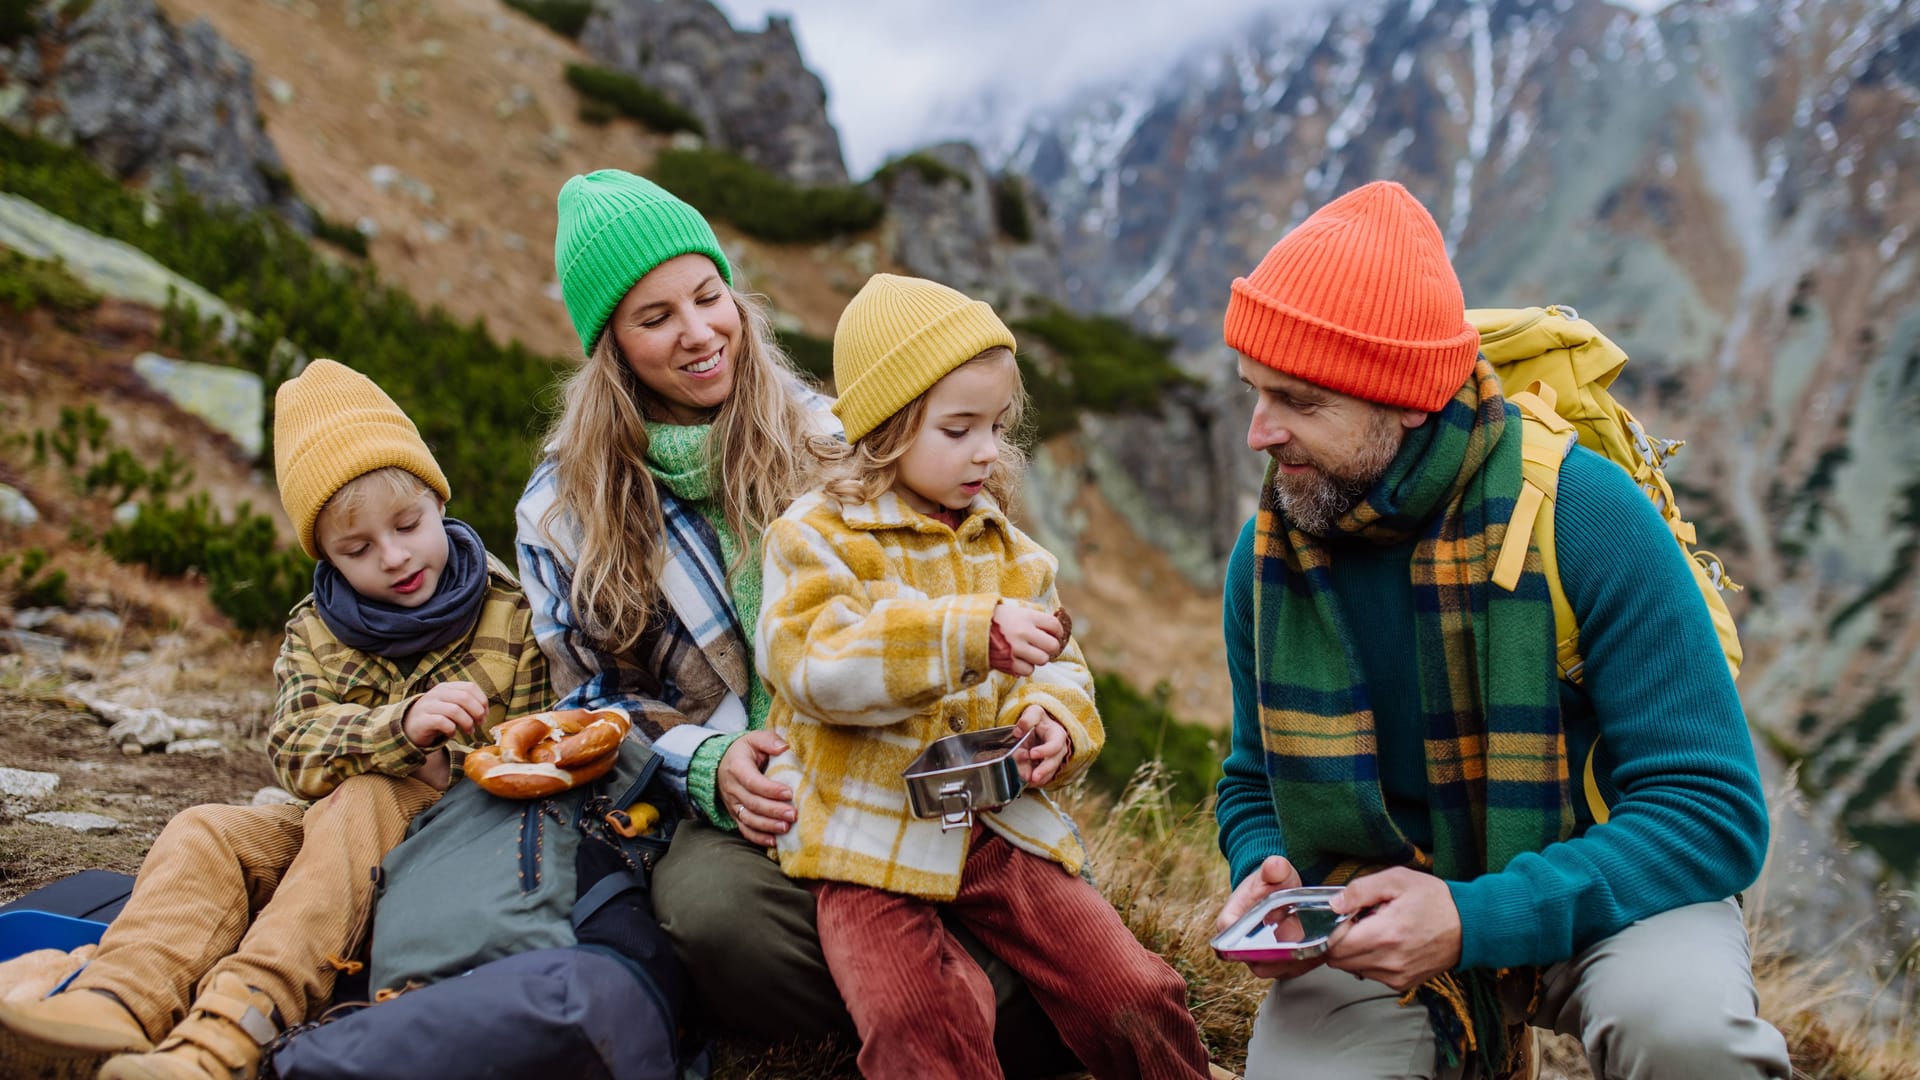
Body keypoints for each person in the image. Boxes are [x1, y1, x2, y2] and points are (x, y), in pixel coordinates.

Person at [1209, 180, 1790, 1080]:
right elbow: (1252, 779)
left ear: (1404, 399)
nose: (1259, 432)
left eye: (1299, 401)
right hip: (1376, 913)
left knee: (1685, 1034)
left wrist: (1477, 919)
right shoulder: (1270, 556)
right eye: (1253, 389)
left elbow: (1711, 812)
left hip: (1599, 895)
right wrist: (1267, 865)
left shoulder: (1584, 516)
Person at [514, 171, 1073, 1069]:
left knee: (983, 869)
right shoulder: (559, 509)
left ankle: (948, 1007)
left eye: (707, 296)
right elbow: (589, 695)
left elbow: (965, 571)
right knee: (712, 917)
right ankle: (989, 1008)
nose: (699, 333)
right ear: (609, 345)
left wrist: (1033, 703)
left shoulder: (831, 432)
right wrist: (708, 763)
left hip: (888, 760)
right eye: (654, 318)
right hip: (748, 812)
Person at [0, 360, 551, 1080]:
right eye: (357, 549)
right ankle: (115, 1002)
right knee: (206, 830)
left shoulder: (515, 614)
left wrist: (458, 756)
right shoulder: (312, 631)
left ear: (436, 500)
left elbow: (548, 753)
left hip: (458, 858)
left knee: (367, 795)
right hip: (329, 847)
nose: (393, 556)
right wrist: (398, 727)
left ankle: (224, 1039)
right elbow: (293, 750)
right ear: (323, 553)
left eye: (409, 525)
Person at [753, 272, 1212, 1080]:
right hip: (868, 840)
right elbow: (815, 663)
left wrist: (1055, 723)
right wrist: (967, 634)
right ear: (888, 427)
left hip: (998, 830)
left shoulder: (1009, 550)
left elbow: (1062, 667)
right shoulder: (814, 536)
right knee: (917, 1021)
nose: (987, 451)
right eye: (958, 428)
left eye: (996, 426)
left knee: (1134, 991)